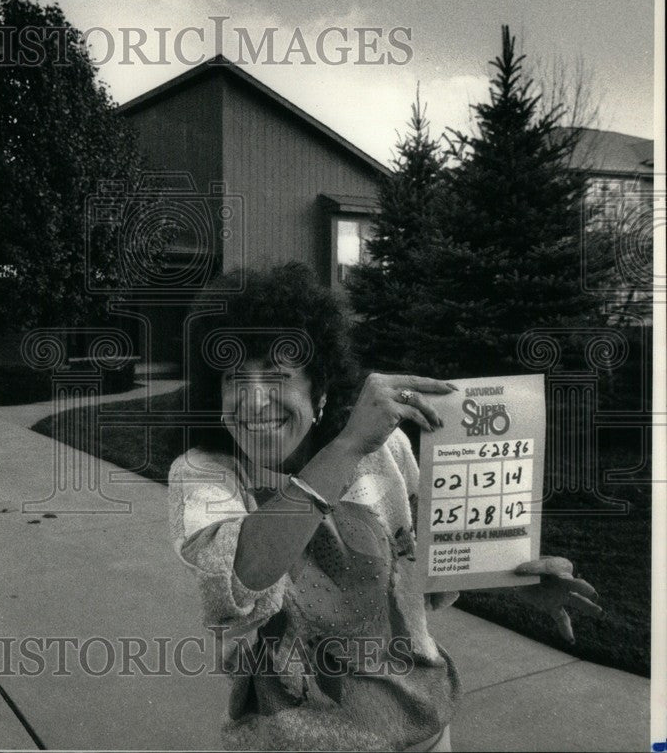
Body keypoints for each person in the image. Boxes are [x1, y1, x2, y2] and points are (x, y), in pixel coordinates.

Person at [166, 262, 602, 752]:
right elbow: (242, 574)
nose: (252, 401)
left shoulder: (386, 450)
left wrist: (509, 577)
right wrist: (348, 444)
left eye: (276, 375)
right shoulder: (204, 473)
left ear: (321, 390)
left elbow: (422, 562)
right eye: (232, 378)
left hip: (420, 726)